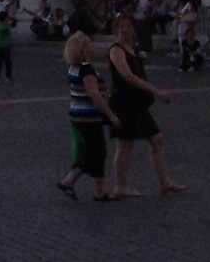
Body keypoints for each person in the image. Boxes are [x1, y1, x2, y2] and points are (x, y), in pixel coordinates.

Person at [104, 14, 179, 197]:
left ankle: (165, 183)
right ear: (116, 30)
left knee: (157, 139)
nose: (125, 29)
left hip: (138, 102)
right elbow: (127, 76)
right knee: (125, 144)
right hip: (124, 103)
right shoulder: (116, 50)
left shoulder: (133, 49)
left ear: (134, 29)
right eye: (121, 26)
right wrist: (156, 91)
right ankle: (120, 187)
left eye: (128, 26)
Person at [55, 30, 119, 201]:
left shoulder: (73, 67)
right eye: (89, 44)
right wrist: (110, 114)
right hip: (88, 115)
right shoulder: (86, 69)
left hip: (77, 114)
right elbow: (95, 95)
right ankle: (69, 181)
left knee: (95, 150)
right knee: (96, 151)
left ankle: (99, 189)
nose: (93, 46)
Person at [0, 5, 16, 82]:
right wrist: (9, 23)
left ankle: (6, 76)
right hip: (1, 46)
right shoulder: (2, 25)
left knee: (7, 63)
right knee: (0, 63)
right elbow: (2, 29)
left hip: (4, 45)